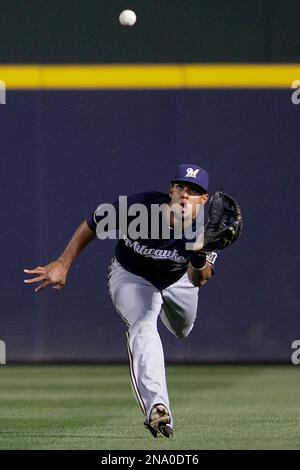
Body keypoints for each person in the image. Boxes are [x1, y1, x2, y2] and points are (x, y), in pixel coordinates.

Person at [24, 163, 242, 438]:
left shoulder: (204, 229)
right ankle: (157, 408)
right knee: (143, 323)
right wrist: (63, 262)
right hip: (133, 275)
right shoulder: (141, 209)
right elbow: (93, 222)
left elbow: (199, 279)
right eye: (181, 187)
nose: (185, 195)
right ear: (171, 190)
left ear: (204, 199)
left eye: (194, 190)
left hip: (179, 280)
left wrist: (200, 255)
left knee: (182, 329)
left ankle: (159, 391)